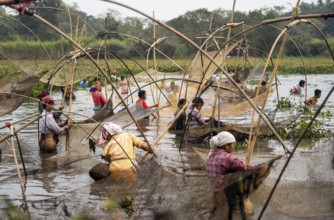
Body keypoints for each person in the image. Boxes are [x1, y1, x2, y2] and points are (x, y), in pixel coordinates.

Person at [205, 131, 255, 215]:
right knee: (249, 212)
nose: (233, 146)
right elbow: (247, 168)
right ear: (226, 146)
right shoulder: (229, 158)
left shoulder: (210, 155)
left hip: (216, 195)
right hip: (228, 197)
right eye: (232, 144)